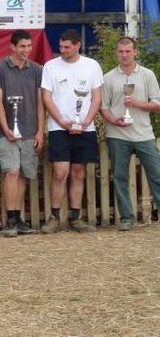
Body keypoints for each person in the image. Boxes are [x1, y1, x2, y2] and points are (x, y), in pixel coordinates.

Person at [40, 28, 102, 234]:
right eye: (61, 47)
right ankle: (54, 217)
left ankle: (76, 217)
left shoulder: (92, 66)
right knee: (60, 172)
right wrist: (61, 121)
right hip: (59, 127)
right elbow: (46, 97)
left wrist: (86, 122)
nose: (63, 51)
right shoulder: (50, 66)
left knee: (79, 172)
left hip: (85, 127)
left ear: (77, 45)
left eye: (67, 47)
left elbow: (96, 96)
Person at [100, 36, 160, 231]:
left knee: (157, 174)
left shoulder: (147, 75)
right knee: (120, 177)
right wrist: (112, 120)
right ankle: (126, 218)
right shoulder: (108, 77)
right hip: (117, 134)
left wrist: (136, 103)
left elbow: (156, 104)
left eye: (128, 51)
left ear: (135, 52)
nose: (124, 55)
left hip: (144, 134)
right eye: (121, 51)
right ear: (117, 52)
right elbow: (104, 107)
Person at [0, 30, 43, 237]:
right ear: (12, 47)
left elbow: (40, 101)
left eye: (29, 46)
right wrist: (6, 128)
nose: (27, 50)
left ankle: (17, 217)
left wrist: (40, 130)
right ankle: (10, 218)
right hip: (6, 132)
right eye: (22, 46)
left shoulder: (37, 69)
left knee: (23, 174)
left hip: (30, 131)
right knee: (11, 171)